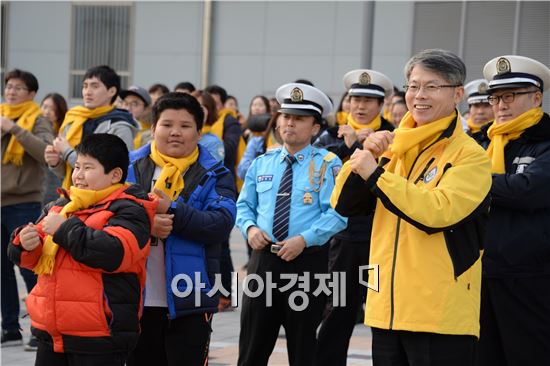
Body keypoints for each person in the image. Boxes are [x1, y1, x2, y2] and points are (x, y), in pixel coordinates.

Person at [331, 49, 492, 365]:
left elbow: (438, 211)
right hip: (386, 310)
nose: (419, 95)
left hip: (439, 315)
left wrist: (376, 174)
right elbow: (344, 204)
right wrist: (365, 157)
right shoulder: (392, 146)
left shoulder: (470, 156)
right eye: (414, 86)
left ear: (458, 93)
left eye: (432, 87)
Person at [8, 133, 157, 365]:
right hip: (51, 330)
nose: (78, 175)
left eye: (88, 168)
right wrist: (24, 243)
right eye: (77, 166)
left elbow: (114, 253)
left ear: (115, 175)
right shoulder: (62, 205)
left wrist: (65, 229)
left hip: (99, 335)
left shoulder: (130, 209)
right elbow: (30, 258)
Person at [236, 82, 347, 366]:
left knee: (303, 349)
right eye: (286, 116)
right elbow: (244, 205)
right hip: (264, 263)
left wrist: (305, 239)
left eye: (299, 119)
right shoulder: (263, 162)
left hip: (306, 263)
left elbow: (338, 213)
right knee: (252, 347)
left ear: (315, 128)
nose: (289, 123)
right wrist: (250, 229)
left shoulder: (328, 164)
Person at [125, 92, 236, 366]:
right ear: (152, 129)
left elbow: (220, 223)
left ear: (199, 133)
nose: (175, 132)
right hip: (133, 298)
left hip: (190, 298)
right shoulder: (126, 168)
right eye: (167, 125)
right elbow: (104, 215)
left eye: (185, 126)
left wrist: (172, 210)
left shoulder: (216, 174)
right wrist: (147, 225)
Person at [314, 69, 395, 366]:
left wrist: (362, 146)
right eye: (355, 99)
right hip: (343, 236)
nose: (360, 106)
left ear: (381, 104)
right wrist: (350, 147)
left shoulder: (393, 134)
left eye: (368, 100)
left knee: (383, 310)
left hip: (380, 234)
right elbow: (322, 177)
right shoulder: (330, 136)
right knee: (338, 310)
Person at [476, 55, 550, 366]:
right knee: (482, 356)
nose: (501, 105)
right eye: (495, 98)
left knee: (529, 354)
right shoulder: (482, 142)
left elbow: (529, 191)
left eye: (511, 96)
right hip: (480, 271)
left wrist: (472, 183)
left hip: (529, 273)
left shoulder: (544, 141)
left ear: (536, 97)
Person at [1, 69, 54, 350]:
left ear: (32, 93)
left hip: (23, 203)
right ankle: (10, 328)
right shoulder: (1, 115)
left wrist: (15, 129)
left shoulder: (37, 118)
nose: (11, 91)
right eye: (8, 86)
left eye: (18, 88)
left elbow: (45, 152)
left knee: (29, 267)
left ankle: (39, 327)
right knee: (2, 270)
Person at [44, 65, 138, 191]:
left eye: (95, 86)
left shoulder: (119, 126)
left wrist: (67, 152)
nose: (87, 92)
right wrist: (55, 162)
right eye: (85, 86)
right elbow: (69, 173)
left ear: (112, 91)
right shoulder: (73, 118)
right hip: (72, 195)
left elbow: (117, 171)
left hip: (103, 200)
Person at [204, 84, 244, 309]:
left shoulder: (225, 127)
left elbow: (229, 153)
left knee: (222, 246)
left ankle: (224, 292)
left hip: (221, 189)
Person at [39, 93, 68, 208]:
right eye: (45, 106)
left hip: (55, 182)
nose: (47, 112)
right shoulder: (34, 127)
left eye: (53, 109)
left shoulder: (63, 133)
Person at [193, 90, 225, 162]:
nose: (198, 111)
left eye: (202, 107)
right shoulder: (180, 135)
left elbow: (214, 171)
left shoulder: (213, 142)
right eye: (194, 106)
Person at [120, 85, 153, 149]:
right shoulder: (115, 126)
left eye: (134, 104)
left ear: (146, 108)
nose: (128, 108)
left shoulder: (151, 133)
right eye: (125, 103)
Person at [463, 79, 493, 149]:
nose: (480, 111)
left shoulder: (503, 134)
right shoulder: (459, 134)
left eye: (486, 105)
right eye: (476, 105)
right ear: (470, 109)